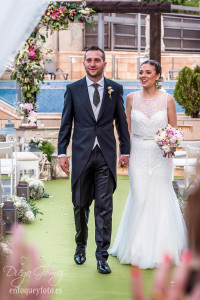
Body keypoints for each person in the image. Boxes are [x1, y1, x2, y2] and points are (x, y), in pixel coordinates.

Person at [58, 45, 130, 274]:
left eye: (97, 60)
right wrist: (61, 152)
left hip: (106, 155)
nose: (92, 63)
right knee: (80, 204)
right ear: (84, 63)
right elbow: (66, 124)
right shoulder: (73, 89)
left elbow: (121, 122)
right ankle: (80, 247)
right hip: (81, 155)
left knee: (104, 207)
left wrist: (125, 151)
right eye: (88, 60)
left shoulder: (115, 89)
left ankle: (102, 256)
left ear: (104, 64)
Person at [109, 60, 187, 269]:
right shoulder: (131, 98)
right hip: (138, 152)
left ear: (158, 76)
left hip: (160, 155)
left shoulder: (168, 100)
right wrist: (123, 153)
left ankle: (163, 249)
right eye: (141, 72)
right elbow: (125, 131)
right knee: (141, 196)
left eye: (148, 72)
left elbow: (173, 131)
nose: (143, 75)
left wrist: (169, 144)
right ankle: (136, 248)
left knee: (160, 196)